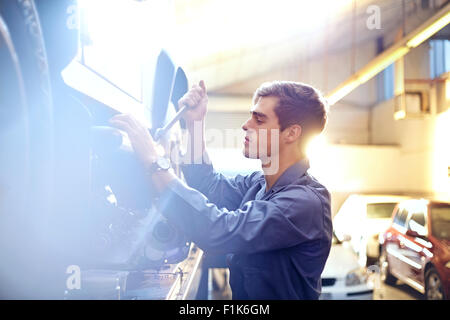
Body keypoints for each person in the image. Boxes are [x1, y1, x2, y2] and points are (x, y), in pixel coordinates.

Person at [110, 80, 332, 299]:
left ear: (291, 133)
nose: (246, 125)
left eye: (259, 119)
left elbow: (219, 231)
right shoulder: (259, 185)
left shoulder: (304, 202)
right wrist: (195, 125)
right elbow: (209, 186)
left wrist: (154, 161)